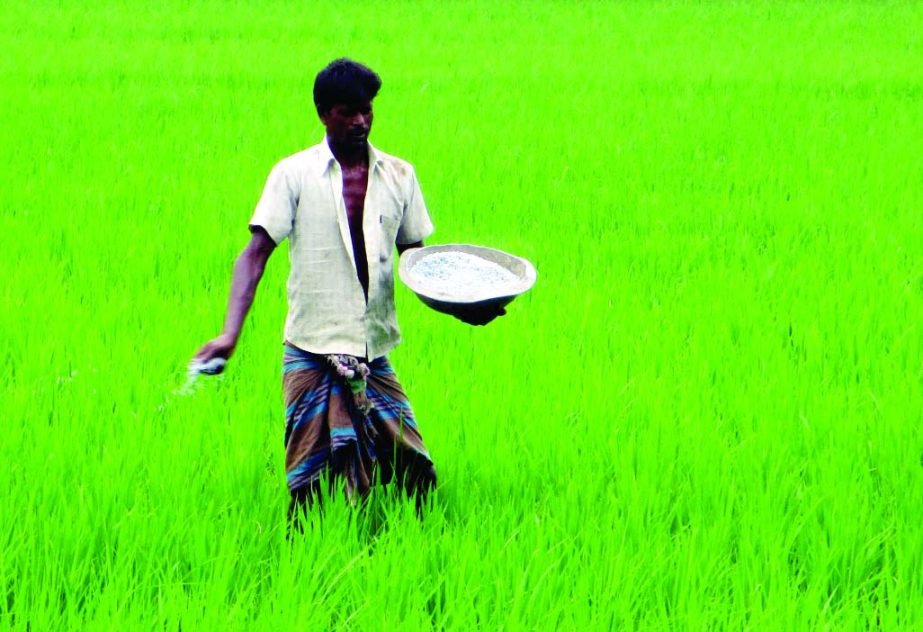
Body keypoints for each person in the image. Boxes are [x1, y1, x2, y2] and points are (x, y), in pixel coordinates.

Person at [192, 58, 503, 522]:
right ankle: (312, 557)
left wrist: (465, 308)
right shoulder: (293, 175)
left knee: (412, 468)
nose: (361, 120)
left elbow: (418, 264)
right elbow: (254, 255)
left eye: (367, 109)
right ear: (323, 113)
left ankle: (403, 543)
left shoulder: (399, 176)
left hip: (372, 351)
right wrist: (228, 334)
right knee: (309, 483)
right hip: (311, 348)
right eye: (348, 111)